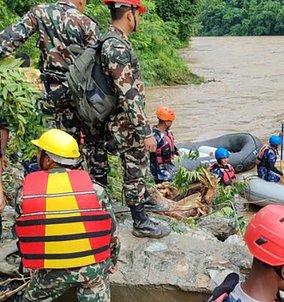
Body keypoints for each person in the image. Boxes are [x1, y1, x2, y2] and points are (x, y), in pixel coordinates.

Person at [14, 129, 118, 302]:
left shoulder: (25, 194)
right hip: (91, 267)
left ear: (48, 159)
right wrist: (111, 260)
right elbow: (111, 231)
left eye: (39, 151)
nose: (36, 154)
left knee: (33, 299)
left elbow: (24, 231)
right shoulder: (96, 189)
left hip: (54, 268)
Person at [82, 0, 169, 238]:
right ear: (129, 15)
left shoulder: (108, 40)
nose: (138, 18)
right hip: (124, 122)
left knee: (125, 167)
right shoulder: (116, 47)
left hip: (113, 120)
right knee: (135, 168)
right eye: (138, 13)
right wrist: (146, 132)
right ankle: (140, 221)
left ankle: (126, 206)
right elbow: (128, 94)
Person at [0, 0, 99, 137]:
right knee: (69, 145)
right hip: (75, 98)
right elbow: (97, 67)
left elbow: (8, 40)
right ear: (81, 1)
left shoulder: (40, 12)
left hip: (45, 95)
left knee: (45, 141)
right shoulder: (88, 24)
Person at [150, 106, 178, 183]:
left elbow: (170, 145)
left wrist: (176, 151)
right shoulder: (155, 137)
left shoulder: (167, 132)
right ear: (166, 122)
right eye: (171, 121)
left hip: (170, 167)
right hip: (160, 172)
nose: (172, 123)